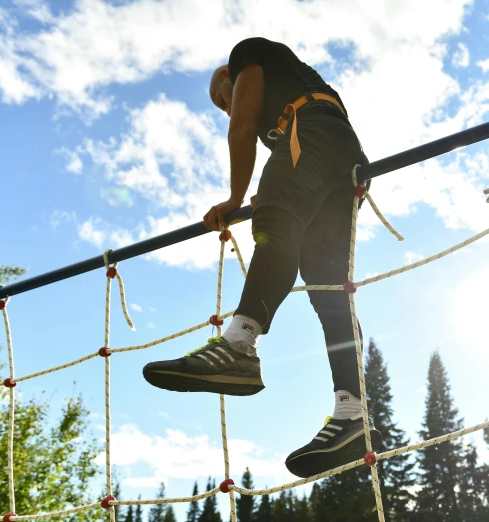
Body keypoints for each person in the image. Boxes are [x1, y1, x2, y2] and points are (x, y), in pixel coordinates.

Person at [142, 37, 380, 478]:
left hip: (314, 132)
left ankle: (238, 346)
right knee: (328, 285)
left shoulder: (248, 53)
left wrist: (236, 197)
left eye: (222, 97)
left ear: (228, 77)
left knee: (274, 213)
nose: (224, 107)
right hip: (344, 157)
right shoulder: (289, 116)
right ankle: (352, 412)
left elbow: (242, 123)